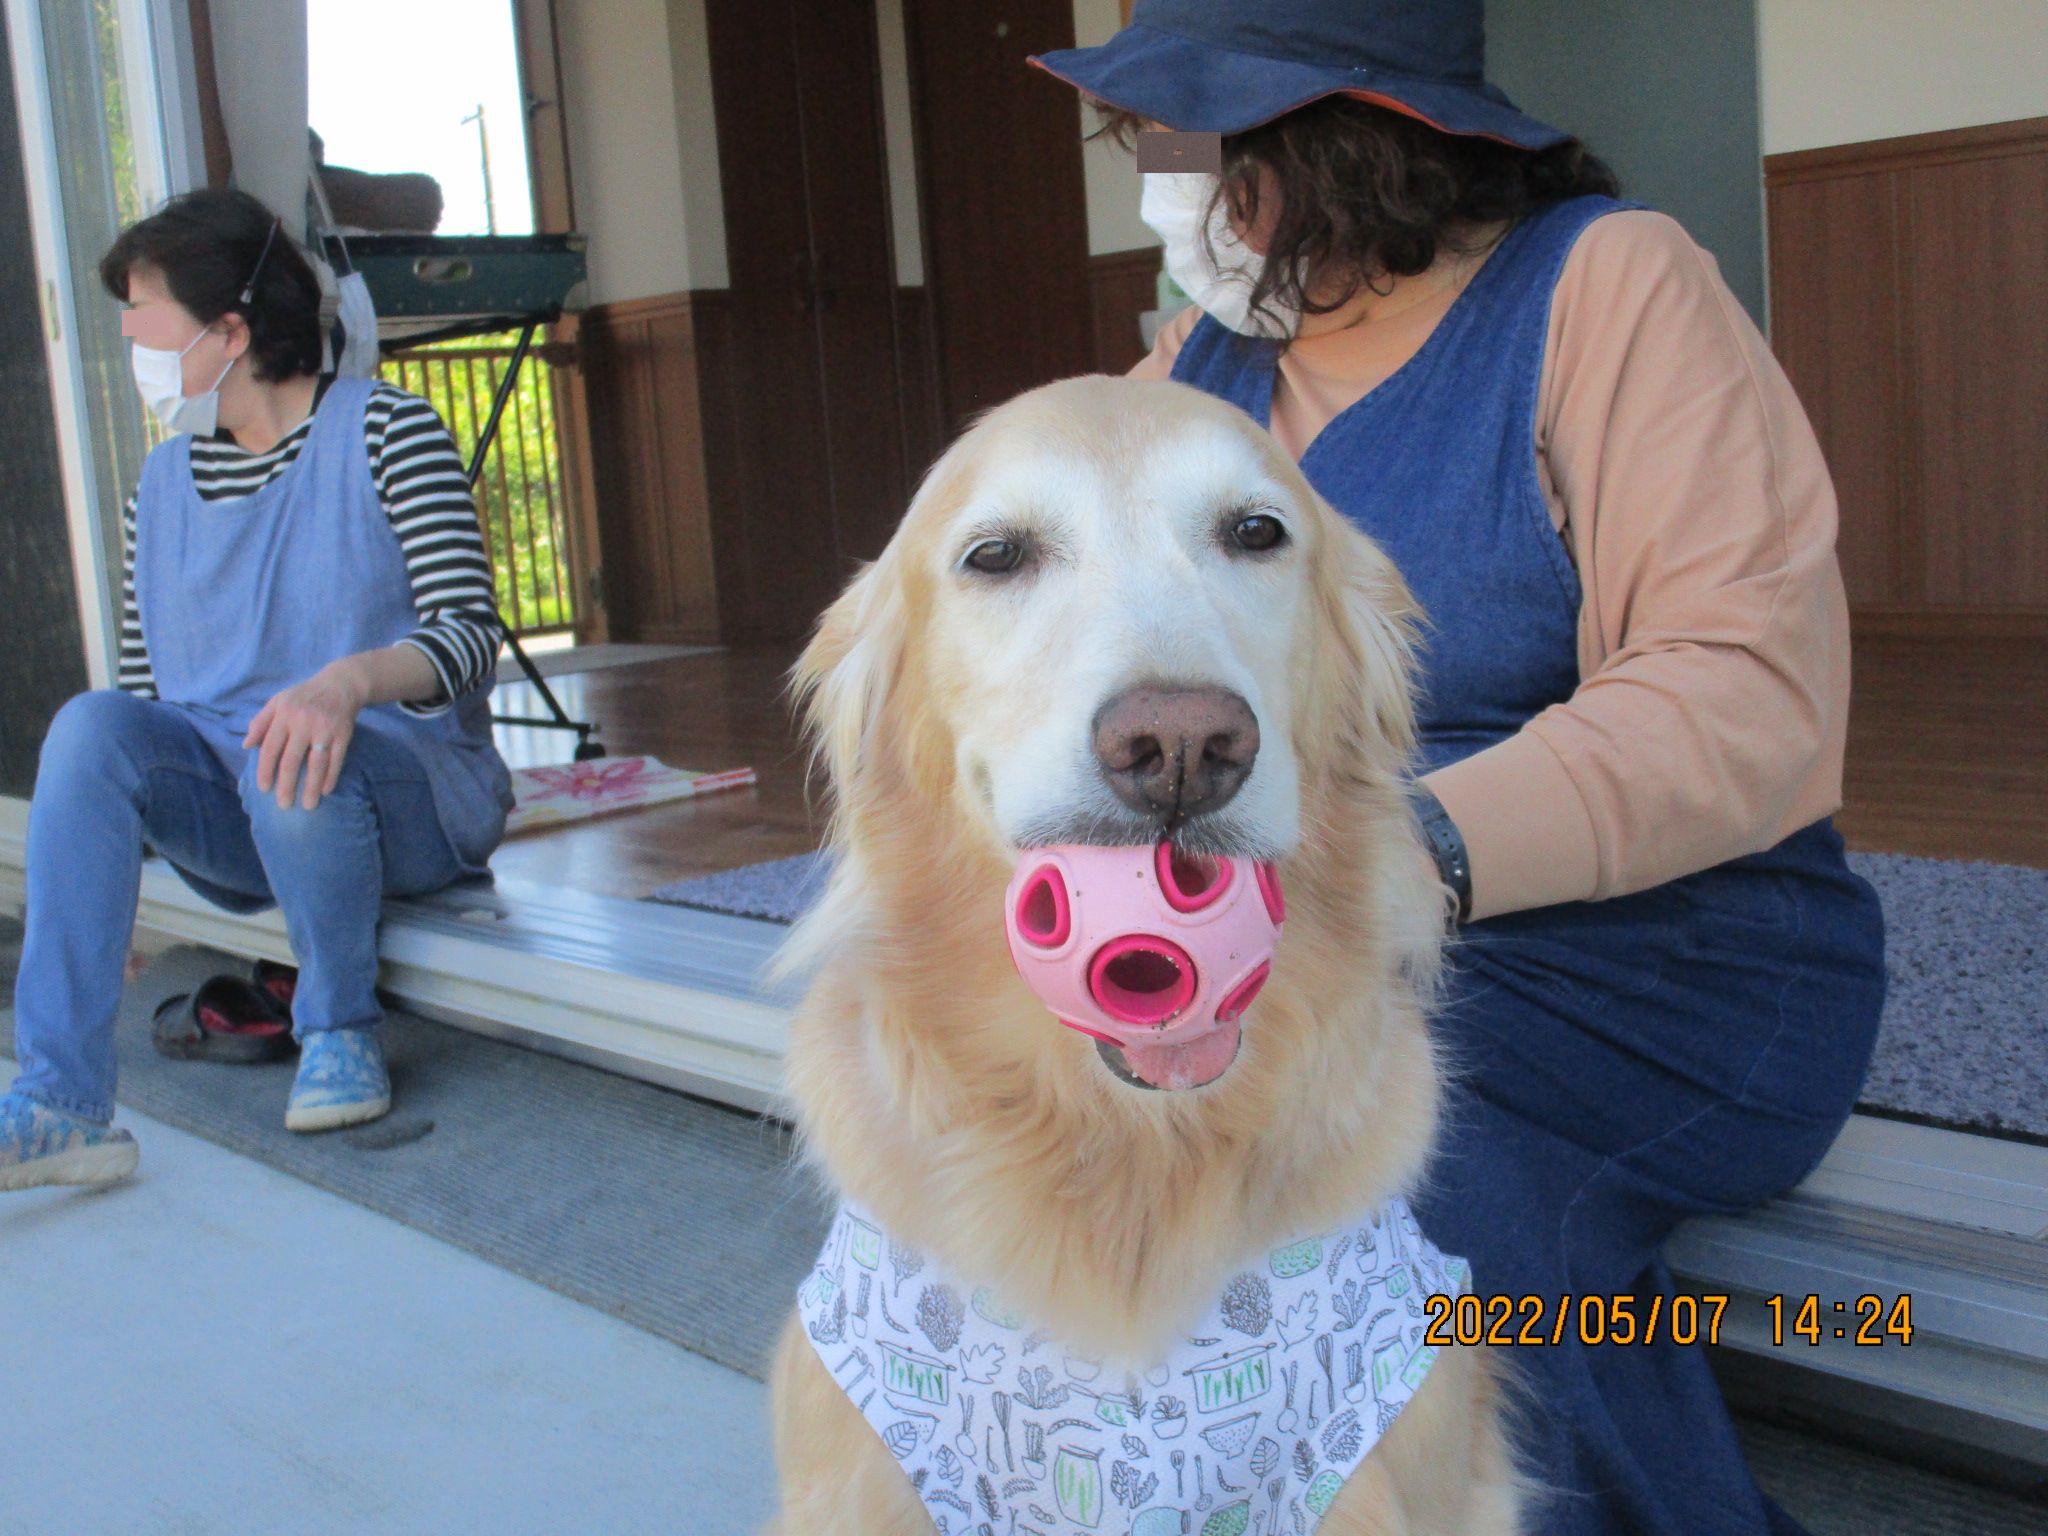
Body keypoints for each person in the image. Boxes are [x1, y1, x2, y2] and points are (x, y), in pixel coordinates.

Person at [1030, 4, 1886, 1534]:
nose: (1157, 177)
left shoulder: (1609, 286)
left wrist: (1405, 854)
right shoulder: (1191, 371)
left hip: (1664, 958)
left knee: (1388, 1168)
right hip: (1301, 939)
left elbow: (1742, 691)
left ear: (1344, 133)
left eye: (1188, 131)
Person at [2, 187, 513, 1190]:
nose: (133, 349)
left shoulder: (387, 430)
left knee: (296, 740)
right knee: (92, 725)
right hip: (241, 812)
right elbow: (147, 705)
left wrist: (347, 682)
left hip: (397, 796)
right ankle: (60, 1100)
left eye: (147, 323)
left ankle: (339, 1027)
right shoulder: (157, 486)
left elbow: (468, 639)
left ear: (229, 330)